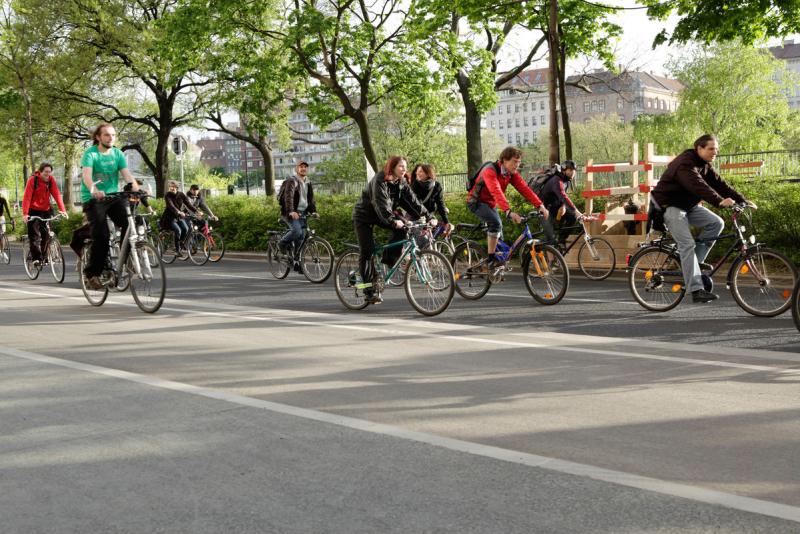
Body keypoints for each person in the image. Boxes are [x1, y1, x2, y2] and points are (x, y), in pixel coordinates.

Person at [651, 134, 755, 303]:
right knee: (687, 244)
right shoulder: (685, 164)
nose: (715, 152)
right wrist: (719, 201)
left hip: (688, 206)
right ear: (699, 148)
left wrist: (742, 200)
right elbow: (698, 186)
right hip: (669, 206)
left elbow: (720, 184)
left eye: (717, 149)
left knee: (716, 223)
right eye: (711, 149)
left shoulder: (704, 164)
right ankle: (696, 289)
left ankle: (694, 267)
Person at [353, 155, 435, 304]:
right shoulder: (380, 179)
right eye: (401, 166)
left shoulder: (401, 182)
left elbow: (413, 202)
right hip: (364, 217)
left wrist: (428, 217)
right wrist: (392, 221)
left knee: (403, 230)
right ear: (392, 167)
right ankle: (369, 291)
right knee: (368, 251)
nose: (404, 169)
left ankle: (388, 261)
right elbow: (380, 204)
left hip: (382, 215)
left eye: (405, 166)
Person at [466, 146, 548, 266]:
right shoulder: (490, 170)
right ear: (504, 160)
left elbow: (524, 189)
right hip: (475, 202)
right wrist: (508, 211)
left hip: (490, 203)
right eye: (514, 162)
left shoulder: (511, 174)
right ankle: (490, 260)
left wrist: (540, 205)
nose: (517, 165)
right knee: (496, 224)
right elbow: (496, 190)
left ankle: (498, 264)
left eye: (519, 162)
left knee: (500, 236)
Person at [80, 123, 139, 289]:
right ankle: (93, 273)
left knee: (130, 225)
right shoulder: (90, 154)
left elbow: (127, 175)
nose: (110, 138)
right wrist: (95, 189)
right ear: (98, 137)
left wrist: (137, 188)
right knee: (102, 235)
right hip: (94, 199)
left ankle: (126, 260)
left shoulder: (118, 154)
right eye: (106, 135)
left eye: (113, 135)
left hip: (113, 197)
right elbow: (86, 176)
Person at [22, 163, 68, 266]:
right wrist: (25, 214)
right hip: (33, 210)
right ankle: (36, 259)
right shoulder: (33, 180)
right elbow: (27, 198)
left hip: (46, 210)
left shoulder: (50, 180)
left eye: (49, 172)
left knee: (47, 234)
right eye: (46, 172)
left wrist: (63, 210)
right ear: (40, 172)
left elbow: (56, 194)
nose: (48, 174)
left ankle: (44, 257)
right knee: (35, 235)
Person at [539, 160, 583, 246]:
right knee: (550, 239)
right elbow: (563, 196)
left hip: (555, 208)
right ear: (563, 170)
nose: (572, 173)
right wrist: (576, 211)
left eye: (574, 170)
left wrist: (563, 206)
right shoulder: (556, 180)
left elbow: (563, 196)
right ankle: (536, 250)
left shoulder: (566, 181)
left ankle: (561, 240)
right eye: (570, 170)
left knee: (572, 217)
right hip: (545, 209)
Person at [279, 161, 316, 260]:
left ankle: (297, 262)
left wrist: (313, 212)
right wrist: (291, 211)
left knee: (301, 238)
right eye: (301, 167)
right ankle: (282, 243)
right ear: (297, 169)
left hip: (302, 213)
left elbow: (310, 199)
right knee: (297, 231)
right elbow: (288, 197)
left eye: (305, 167)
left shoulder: (308, 182)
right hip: (291, 213)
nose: (303, 168)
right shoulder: (292, 181)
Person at [410, 164, 454, 243]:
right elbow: (416, 205)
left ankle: (430, 252)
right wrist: (428, 218)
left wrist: (446, 222)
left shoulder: (437, 186)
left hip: (429, 214)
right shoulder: (415, 185)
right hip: (416, 215)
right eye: (417, 172)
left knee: (431, 239)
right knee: (423, 240)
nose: (417, 174)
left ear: (428, 173)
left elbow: (440, 204)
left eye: (420, 171)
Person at [160, 181, 198, 256]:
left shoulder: (181, 194)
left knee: (186, 229)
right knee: (178, 230)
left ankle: (180, 244)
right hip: (169, 218)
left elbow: (188, 204)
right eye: (170, 187)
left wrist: (197, 211)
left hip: (178, 217)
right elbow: (170, 205)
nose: (172, 188)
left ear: (177, 188)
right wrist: (178, 212)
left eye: (174, 187)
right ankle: (177, 250)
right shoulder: (167, 195)